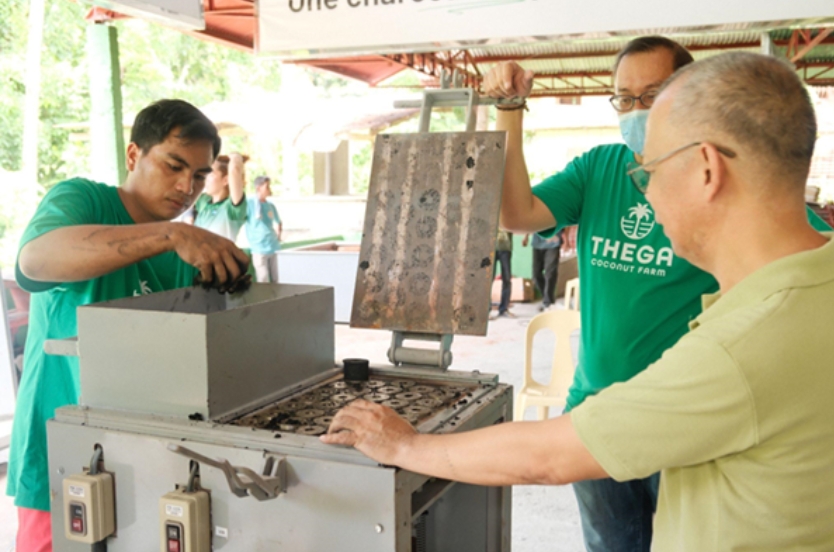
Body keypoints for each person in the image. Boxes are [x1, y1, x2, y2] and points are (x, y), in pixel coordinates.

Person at [323, 51, 834, 552]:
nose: (646, 193)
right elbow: (518, 211)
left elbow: (547, 458)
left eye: (650, 170)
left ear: (706, 169)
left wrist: (405, 445)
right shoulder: (811, 284)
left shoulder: (741, 346)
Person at [482, 36, 831, 551]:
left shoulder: (741, 214)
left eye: (652, 95)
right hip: (600, 404)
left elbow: (796, 246)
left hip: (688, 414)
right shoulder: (600, 167)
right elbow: (517, 215)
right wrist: (509, 111)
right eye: (624, 98)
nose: (636, 110)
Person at [6, 99, 250, 552]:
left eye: (199, 175)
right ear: (135, 155)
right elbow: (33, 262)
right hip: (60, 451)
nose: (186, 186)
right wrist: (172, 235)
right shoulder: (83, 199)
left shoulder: (184, 251)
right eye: (174, 165)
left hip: (146, 456)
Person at [193, 152, 248, 242]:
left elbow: (235, 170)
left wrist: (236, 157)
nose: (205, 178)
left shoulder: (231, 208)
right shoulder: (203, 200)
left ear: (226, 180)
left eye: (210, 174)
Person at [246, 175, 283, 283]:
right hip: (259, 248)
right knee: (263, 279)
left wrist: (278, 237)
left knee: (276, 279)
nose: (269, 189)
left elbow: (278, 222)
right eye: (266, 187)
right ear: (258, 188)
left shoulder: (270, 205)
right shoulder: (250, 204)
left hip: (273, 247)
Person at [523, 230, 564, 311]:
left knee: (550, 273)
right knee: (536, 275)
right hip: (537, 244)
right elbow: (531, 223)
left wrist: (564, 238)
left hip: (553, 243)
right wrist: (526, 237)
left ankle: (547, 302)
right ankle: (548, 299)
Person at [490, 229, 515, 319]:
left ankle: (504, 309)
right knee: (488, 279)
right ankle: (486, 311)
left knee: (507, 279)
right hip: (491, 246)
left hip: (505, 247)